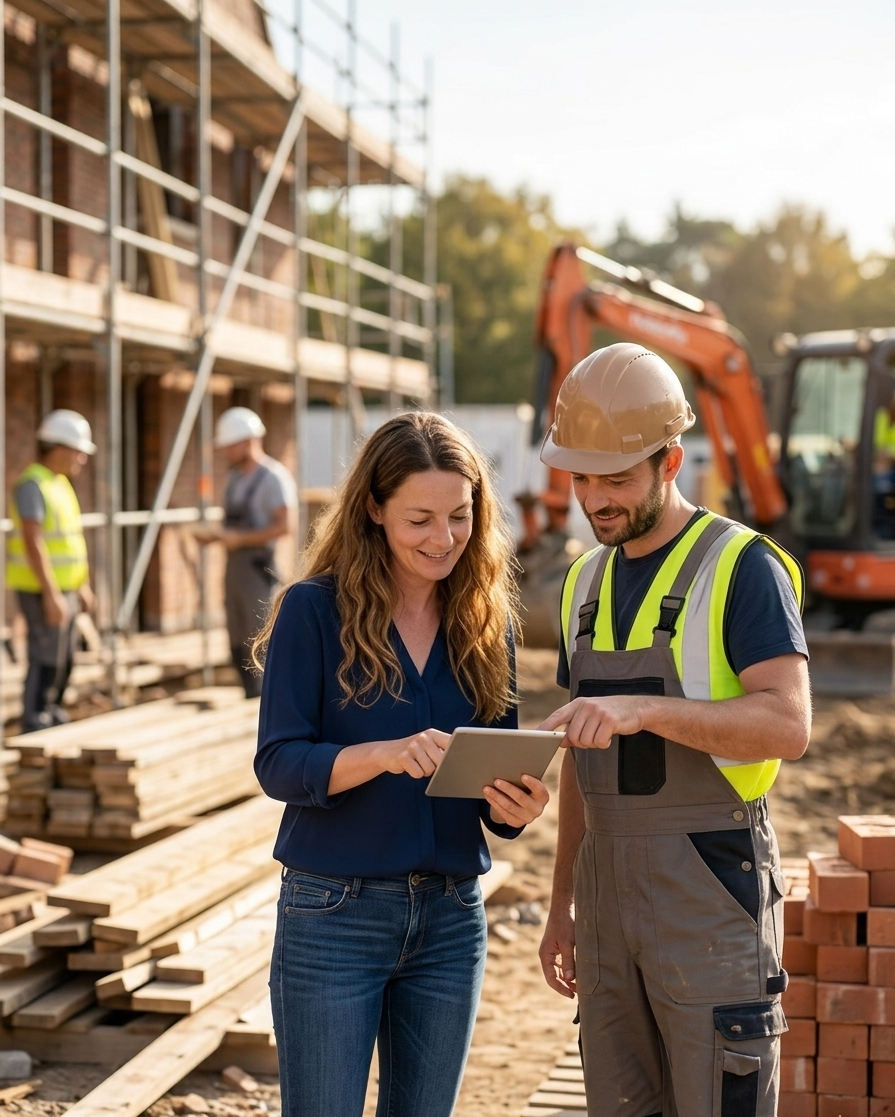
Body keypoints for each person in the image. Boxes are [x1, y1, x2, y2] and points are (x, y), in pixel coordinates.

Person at [535, 343, 811, 1117]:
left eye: (615, 478)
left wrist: (645, 710)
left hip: (710, 894)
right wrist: (562, 905)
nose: (594, 500)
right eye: (580, 477)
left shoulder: (740, 566)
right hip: (607, 902)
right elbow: (585, 775)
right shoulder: (582, 584)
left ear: (670, 461)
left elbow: (787, 724)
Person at [252, 411, 549, 1117]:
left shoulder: (486, 622)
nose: (442, 538)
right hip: (333, 915)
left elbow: (490, 783)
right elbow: (278, 763)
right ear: (374, 509)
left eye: (459, 516)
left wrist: (514, 807)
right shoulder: (312, 611)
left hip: (450, 918)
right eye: (419, 518)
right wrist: (383, 755)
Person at [6, 409, 96, 732]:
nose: (81, 460)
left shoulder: (60, 483)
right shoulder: (32, 484)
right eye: (78, 452)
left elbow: (71, 541)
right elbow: (34, 543)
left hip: (65, 588)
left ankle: (53, 709)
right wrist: (51, 593)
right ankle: (35, 717)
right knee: (45, 654)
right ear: (59, 448)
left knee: (65, 656)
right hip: (42, 589)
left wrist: (82, 586)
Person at [196, 406, 295, 697]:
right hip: (234, 566)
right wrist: (215, 537)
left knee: (259, 635)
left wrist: (242, 539)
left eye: (230, 446)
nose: (226, 452)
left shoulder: (274, 478)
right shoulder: (235, 480)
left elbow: (285, 526)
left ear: (248, 442)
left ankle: (268, 699)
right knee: (236, 635)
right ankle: (249, 694)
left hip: (258, 568)